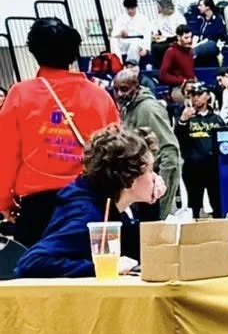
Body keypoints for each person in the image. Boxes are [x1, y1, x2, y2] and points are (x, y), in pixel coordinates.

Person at [0, 18, 119, 245]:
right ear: (74, 52)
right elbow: (116, 155)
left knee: (38, 277)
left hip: (39, 209)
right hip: (92, 204)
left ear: (33, 50)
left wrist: (4, 202)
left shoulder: (20, 95)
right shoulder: (100, 97)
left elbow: (5, 154)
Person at [15, 127, 162, 279]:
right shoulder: (86, 214)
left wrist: (150, 204)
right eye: (150, 170)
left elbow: (141, 247)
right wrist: (100, 267)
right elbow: (32, 263)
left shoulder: (109, 204)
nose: (155, 177)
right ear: (129, 177)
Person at [110, 67, 179, 217]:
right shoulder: (127, 108)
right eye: (116, 90)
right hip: (138, 190)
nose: (119, 94)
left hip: (153, 192)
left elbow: (171, 152)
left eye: (124, 89)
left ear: (137, 87)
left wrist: (163, 197)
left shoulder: (149, 109)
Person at [176, 86, 222, 218]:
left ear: (207, 96)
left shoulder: (216, 119)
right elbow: (177, 139)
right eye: (192, 95)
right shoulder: (185, 118)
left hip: (213, 168)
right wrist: (182, 121)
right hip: (193, 168)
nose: (196, 98)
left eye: (199, 94)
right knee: (193, 205)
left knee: (217, 203)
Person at [158, 26, 199, 98]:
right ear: (179, 37)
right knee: (193, 100)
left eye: (190, 37)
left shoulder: (190, 51)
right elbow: (163, 75)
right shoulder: (171, 52)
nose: (189, 40)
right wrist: (182, 81)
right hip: (177, 88)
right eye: (186, 38)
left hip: (192, 86)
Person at [110, 0, 150, 64]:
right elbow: (114, 34)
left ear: (135, 7)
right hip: (124, 41)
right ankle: (118, 63)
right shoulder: (120, 18)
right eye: (128, 9)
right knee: (113, 41)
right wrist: (120, 33)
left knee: (134, 45)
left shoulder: (143, 19)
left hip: (138, 41)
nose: (130, 11)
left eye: (132, 8)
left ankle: (131, 65)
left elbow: (147, 35)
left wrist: (145, 48)